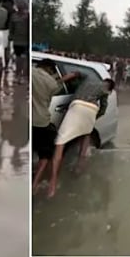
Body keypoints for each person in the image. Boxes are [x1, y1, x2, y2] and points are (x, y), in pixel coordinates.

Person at [48, 75, 115, 198]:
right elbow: (103, 109)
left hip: (77, 106)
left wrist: (64, 79)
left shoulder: (89, 78)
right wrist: (93, 117)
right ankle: (80, 166)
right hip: (92, 109)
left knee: (60, 142)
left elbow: (75, 78)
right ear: (110, 88)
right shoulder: (105, 90)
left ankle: (53, 181)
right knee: (86, 134)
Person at [32, 59, 80, 192]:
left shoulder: (30, 72)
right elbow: (53, 86)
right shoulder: (51, 83)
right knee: (46, 154)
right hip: (41, 122)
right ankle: (35, 185)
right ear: (50, 69)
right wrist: (67, 78)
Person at [10, 0, 29, 83]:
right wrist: (11, 36)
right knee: (18, 59)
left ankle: (24, 76)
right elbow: (11, 28)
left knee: (24, 58)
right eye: (18, 4)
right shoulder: (13, 16)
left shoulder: (28, 16)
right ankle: (18, 75)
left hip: (25, 41)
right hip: (17, 41)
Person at [2, 0, 15, 71]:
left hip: (3, 31)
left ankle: (5, 65)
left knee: (3, 49)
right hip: (8, 31)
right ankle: (7, 65)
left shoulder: (2, 9)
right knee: (7, 49)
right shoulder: (12, 10)